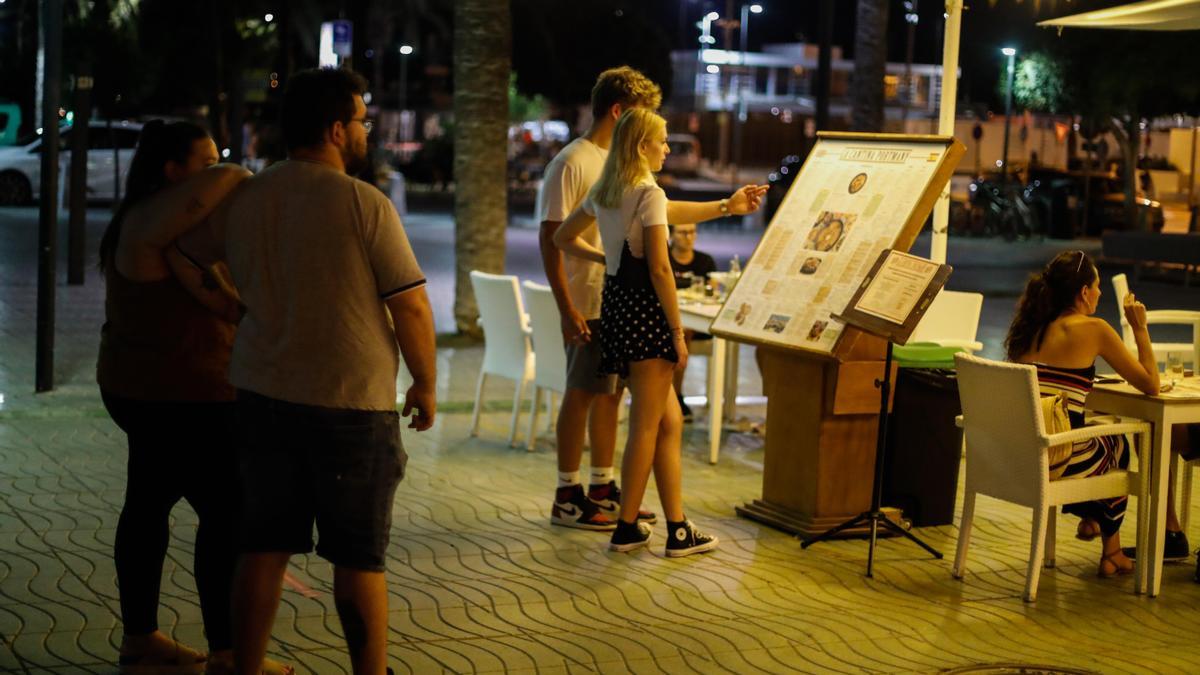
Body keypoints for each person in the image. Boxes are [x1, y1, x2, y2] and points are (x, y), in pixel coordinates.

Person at [177, 68, 436, 675]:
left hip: (263, 396)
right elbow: (411, 303)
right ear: (335, 128)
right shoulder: (361, 202)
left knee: (262, 548)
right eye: (362, 120)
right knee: (358, 559)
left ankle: (246, 667)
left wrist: (231, 308)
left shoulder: (250, 197)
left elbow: (187, 255)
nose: (366, 130)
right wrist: (423, 383)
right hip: (352, 404)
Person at [538, 66, 764, 532]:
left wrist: (725, 206)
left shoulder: (619, 178)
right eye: (654, 129)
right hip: (610, 303)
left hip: (615, 302)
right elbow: (562, 240)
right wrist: (572, 301)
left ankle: (615, 495)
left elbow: (658, 210)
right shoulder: (576, 163)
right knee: (599, 401)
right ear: (626, 120)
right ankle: (585, 501)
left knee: (628, 407)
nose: (664, 143)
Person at [95, 120, 281, 674]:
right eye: (202, 162)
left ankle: (141, 640)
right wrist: (235, 170)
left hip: (150, 391)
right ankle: (227, 653)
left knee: (149, 507)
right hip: (182, 395)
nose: (215, 170)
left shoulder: (162, 224)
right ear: (171, 172)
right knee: (224, 515)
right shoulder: (149, 222)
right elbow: (230, 178)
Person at [1005, 250, 1159, 578]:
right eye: (1097, 286)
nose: (1101, 293)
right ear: (1084, 293)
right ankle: (1111, 548)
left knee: (1100, 435)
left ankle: (1095, 524)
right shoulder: (1094, 329)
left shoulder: (1028, 328)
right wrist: (1140, 328)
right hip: (1059, 458)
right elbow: (1151, 385)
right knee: (1119, 446)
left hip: (1017, 454)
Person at [668, 222, 716, 422]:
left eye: (692, 232)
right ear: (671, 235)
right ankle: (675, 396)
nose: (688, 236)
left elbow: (713, 290)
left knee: (685, 330)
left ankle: (676, 396)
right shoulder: (664, 259)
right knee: (681, 331)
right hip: (671, 320)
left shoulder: (705, 261)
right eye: (682, 232)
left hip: (698, 320)